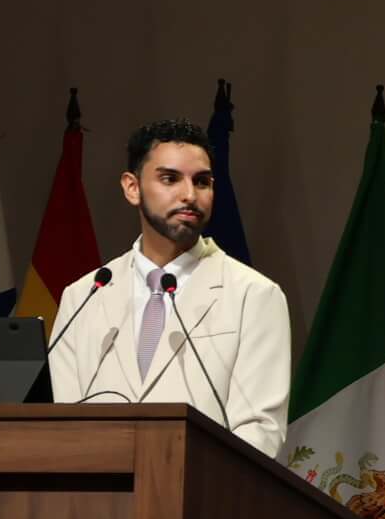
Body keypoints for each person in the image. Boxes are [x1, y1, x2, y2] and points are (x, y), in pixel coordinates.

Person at [48, 119, 292, 457]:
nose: (190, 195)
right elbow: (63, 426)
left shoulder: (255, 295)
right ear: (132, 187)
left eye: (202, 181)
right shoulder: (84, 295)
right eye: (170, 179)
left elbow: (259, 432)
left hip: (201, 500)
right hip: (96, 504)